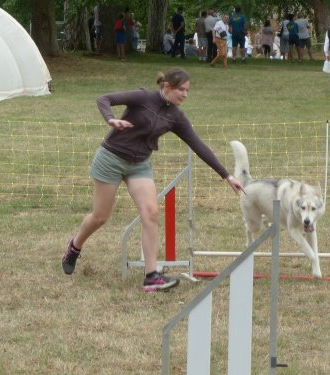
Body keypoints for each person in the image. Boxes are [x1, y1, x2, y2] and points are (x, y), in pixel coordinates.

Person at [61, 68, 245, 292]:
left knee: (151, 212)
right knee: (100, 217)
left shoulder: (175, 116)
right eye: (182, 89)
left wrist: (227, 175)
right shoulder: (143, 97)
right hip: (111, 158)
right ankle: (75, 246)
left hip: (139, 164)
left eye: (188, 90)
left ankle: (151, 276)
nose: (185, 95)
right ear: (167, 87)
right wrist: (111, 119)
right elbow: (104, 99)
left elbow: (197, 145)